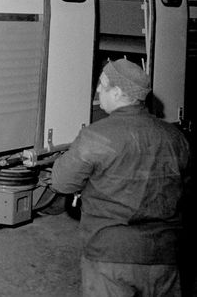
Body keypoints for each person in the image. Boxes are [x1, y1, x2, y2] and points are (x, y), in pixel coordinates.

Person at [51, 58, 190, 297]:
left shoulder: (96, 136)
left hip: (110, 255)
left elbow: (61, 182)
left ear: (116, 93)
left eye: (101, 85)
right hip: (165, 256)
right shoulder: (175, 137)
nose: (97, 91)